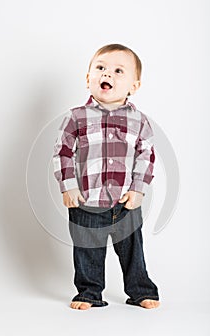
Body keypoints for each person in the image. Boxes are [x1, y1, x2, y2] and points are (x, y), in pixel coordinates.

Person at [53, 44, 160, 310]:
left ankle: (140, 290)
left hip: (125, 202)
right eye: (100, 68)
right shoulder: (76, 117)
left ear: (133, 86)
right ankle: (89, 292)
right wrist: (68, 187)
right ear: (88, 78)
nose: (107, 75)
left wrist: (138, 190)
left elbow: (146, 156)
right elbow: (63, 152)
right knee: (87, 250)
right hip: (86, 200)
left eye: (118, 71)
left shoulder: (139, 121)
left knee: (133, 249)